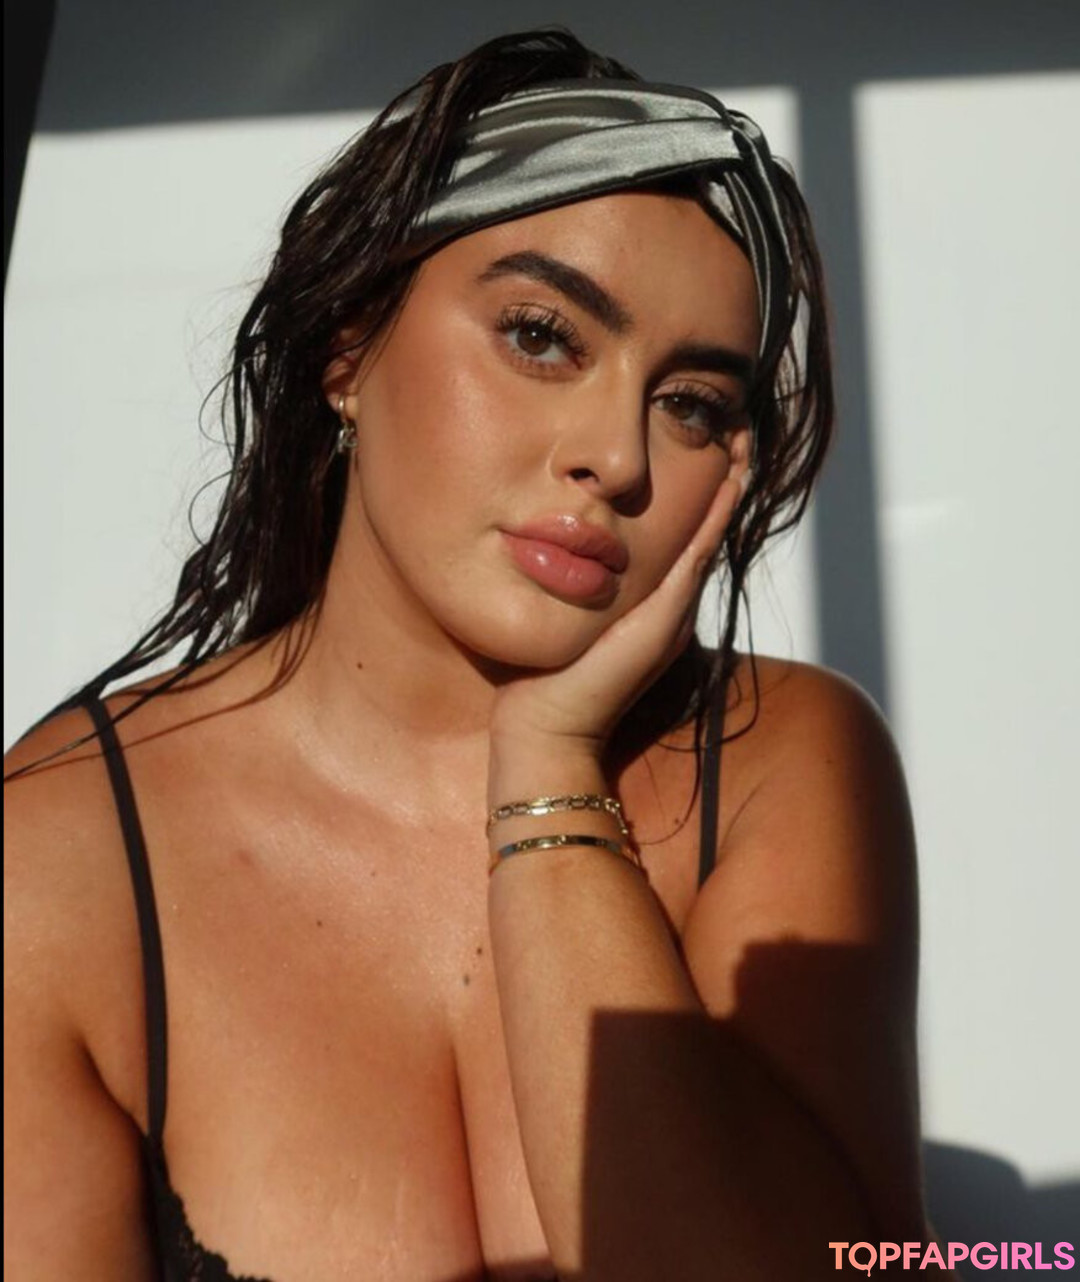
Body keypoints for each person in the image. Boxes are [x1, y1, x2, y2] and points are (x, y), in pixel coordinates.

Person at [4, 27, 942, 1282]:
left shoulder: (783, 762)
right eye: (543, 335)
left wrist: (548, 772)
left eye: (691, 404)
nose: (617, 455)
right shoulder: (58, 857)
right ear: (349, 345)